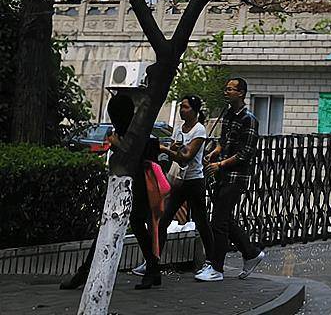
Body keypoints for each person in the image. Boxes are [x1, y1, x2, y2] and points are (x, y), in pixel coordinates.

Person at [60, 89, 164, 291]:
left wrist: (118, 144)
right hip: (129, 187)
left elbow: (134, 158)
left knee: (119, 225)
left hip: (134, 187)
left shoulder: (134, 134)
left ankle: (87, 271)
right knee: (131, 226)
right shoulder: (132, 130)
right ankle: (152, 268)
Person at [196, 77, 265, 282]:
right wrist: (214, 154)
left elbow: (245, 152)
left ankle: (216, 268)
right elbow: (223, 141)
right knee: (224, 218)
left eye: (230, 89)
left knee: (218, 221)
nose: (226, 92)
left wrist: (221, 164)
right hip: (222, 175)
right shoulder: (228, 115)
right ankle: (251, 253)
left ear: (241, 93)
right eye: (226, 89)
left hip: (236, 177)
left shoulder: (249, 119)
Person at [152, 96, 215, 274]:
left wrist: (167, 150)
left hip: (194, 181)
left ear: (194, 110)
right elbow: (176, 149)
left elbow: (186, 157)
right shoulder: (179, 128)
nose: (182, 110)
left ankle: (211, 261)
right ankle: (153, 260)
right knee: (164, 220)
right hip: (179, 181)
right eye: (181, 107)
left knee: (201, 221)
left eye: (186, 107)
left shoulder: (199, 130)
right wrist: (174, 149)